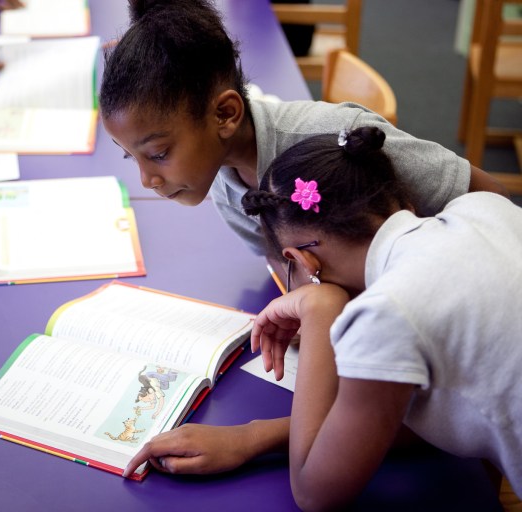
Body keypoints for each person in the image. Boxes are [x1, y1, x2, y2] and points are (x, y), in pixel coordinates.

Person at [126, 127, 522, 508]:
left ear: (301, 261)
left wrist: (319, 307)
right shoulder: (483, 207)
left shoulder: (386, 316)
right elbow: (428, 414)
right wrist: (255, 436)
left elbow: (315, 492)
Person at [100, 0, 508, 274]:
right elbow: (286, 267)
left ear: (225, 114)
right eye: (131, 157)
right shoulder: (224, 184)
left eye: (158, 153)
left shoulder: (332, 136)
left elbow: (488, 194)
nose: (147, 180)